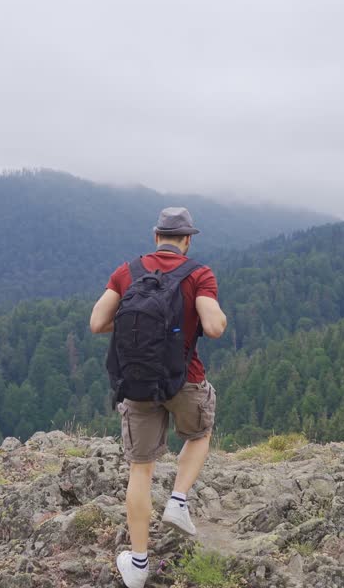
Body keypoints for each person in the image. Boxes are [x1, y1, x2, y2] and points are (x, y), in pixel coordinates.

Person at [89, 207, 227, 588]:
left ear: (155, 237)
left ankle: (137, 564)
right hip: (184, 379)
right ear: (187, 240)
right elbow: (214, 327)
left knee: (141, 469)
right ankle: (178, 501)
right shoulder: (200, 274)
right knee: (199, 435)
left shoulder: (127, 271)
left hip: (136, 384)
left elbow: (97, 322)